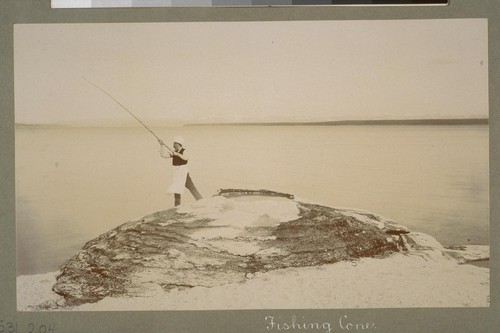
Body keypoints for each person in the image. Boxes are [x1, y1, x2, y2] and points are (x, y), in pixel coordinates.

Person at [159, 136, 203, 206]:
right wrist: (161, 146)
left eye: (174, 143)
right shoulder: (174, 152)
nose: (173, 145)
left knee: (190, 186)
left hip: (183, 171)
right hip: (176, 172)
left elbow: (186, 158)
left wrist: (178, 154)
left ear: (178, 144)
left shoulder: (184, 151)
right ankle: (177, 205)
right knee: (176, 187)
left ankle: (200, 200)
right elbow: (163, 155)